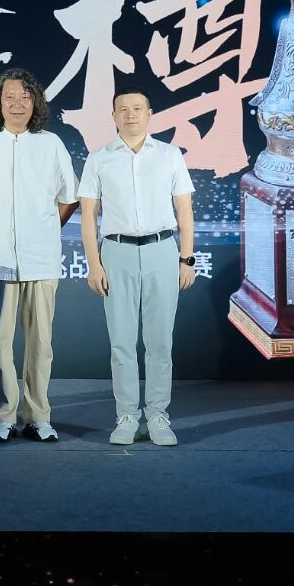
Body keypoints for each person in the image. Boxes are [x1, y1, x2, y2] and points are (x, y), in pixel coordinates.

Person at [0, 68, 79, 443]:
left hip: (42, 259)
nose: (18, 104)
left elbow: (69, 197)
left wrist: (44, 230)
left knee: (41, 345)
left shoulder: (51, 144)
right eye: (10, 97)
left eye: (26, 97)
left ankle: (39, 416)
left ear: (35, 102)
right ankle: (4, 416)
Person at [78, 87, 196, 446]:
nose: (130, 114)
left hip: (162, 250)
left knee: (160, 342)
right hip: (117, 252)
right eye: (123, 109)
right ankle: (127, 415)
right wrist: (94, 264)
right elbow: (88, 215)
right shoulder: (99, 158)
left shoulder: (169, 155)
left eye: (137, 108)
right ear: (113, 116)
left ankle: (158, 415)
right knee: (122, 342)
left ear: (149, 114)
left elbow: (184, 210)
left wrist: (186, 258)